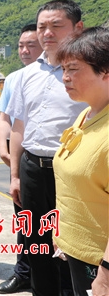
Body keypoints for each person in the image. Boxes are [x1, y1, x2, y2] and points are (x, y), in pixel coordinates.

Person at [6, 0, 86, 296]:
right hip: (33, 169)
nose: (47, 33)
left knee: (72, 248)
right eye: (42, 27)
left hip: (72, 173)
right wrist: (15, 175)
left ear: (78, 28)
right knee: (37, 245)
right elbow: (19, 127)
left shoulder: (88, 71)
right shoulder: (26, 75)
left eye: (56, 26)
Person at [52, 27, 109, 296]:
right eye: (63, 69)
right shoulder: (87, 114)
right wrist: (63, 235)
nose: (65, 77)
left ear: (105, 71)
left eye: (73, 69)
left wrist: (105, 276)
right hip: (79, 252)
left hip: (100, 262)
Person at [0, 23, 42, 294]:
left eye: (31, 45)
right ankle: (23, 273)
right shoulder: (14, 78)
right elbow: (5, 118)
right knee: (24, 219)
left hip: (50, 158)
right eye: (21, 45)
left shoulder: (63, 74)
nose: (25, 50)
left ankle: (57, 278)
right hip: (21, 156)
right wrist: (3, 148)